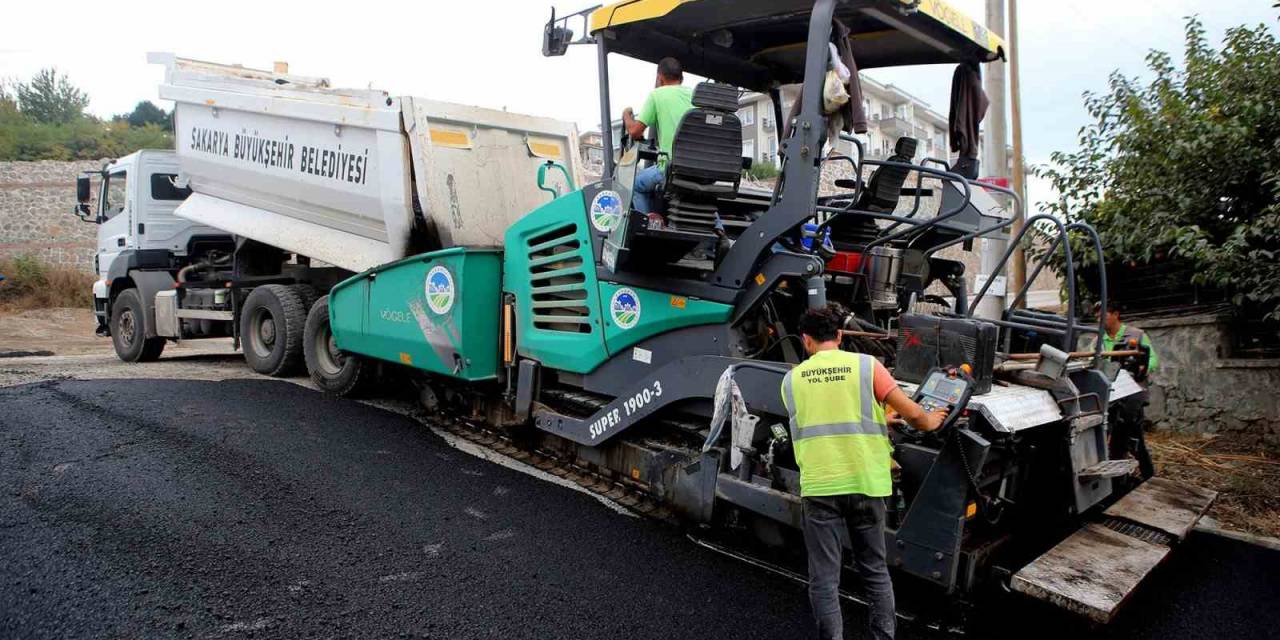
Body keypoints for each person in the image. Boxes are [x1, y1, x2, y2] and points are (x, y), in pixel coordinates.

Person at [781, 306, 947, 640]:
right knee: (874, 571)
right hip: (866, 484)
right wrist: (932, 421)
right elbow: (912, 413)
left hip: (821, 486)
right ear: (840, 336)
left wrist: (874, 419)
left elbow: (820, 416)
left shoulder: (791, 380)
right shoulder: (866, 366)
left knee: (825, 579)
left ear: (806, 341)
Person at [621, 57, 693, 214]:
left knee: (633, 184)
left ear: (659, 77)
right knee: (703, 195)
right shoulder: (696, 97)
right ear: (681, 78)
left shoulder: (657, 95)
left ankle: (649, 219)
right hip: (699, 170)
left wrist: (626, 115)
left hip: (670, 169)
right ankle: (719, 229)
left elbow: (635, 131)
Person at [1099, 304, 1158, 479]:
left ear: (1116, 314)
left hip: (1132, 395)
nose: (1099, 319)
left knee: (1132, 435)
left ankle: (1147, 475)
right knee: (1113, 435)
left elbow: (1153, 359)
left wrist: (1142, 368)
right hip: (1111, 395)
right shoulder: (1099, 340)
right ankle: (1121, 475)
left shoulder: (1137, 335)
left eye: (1103, 315)